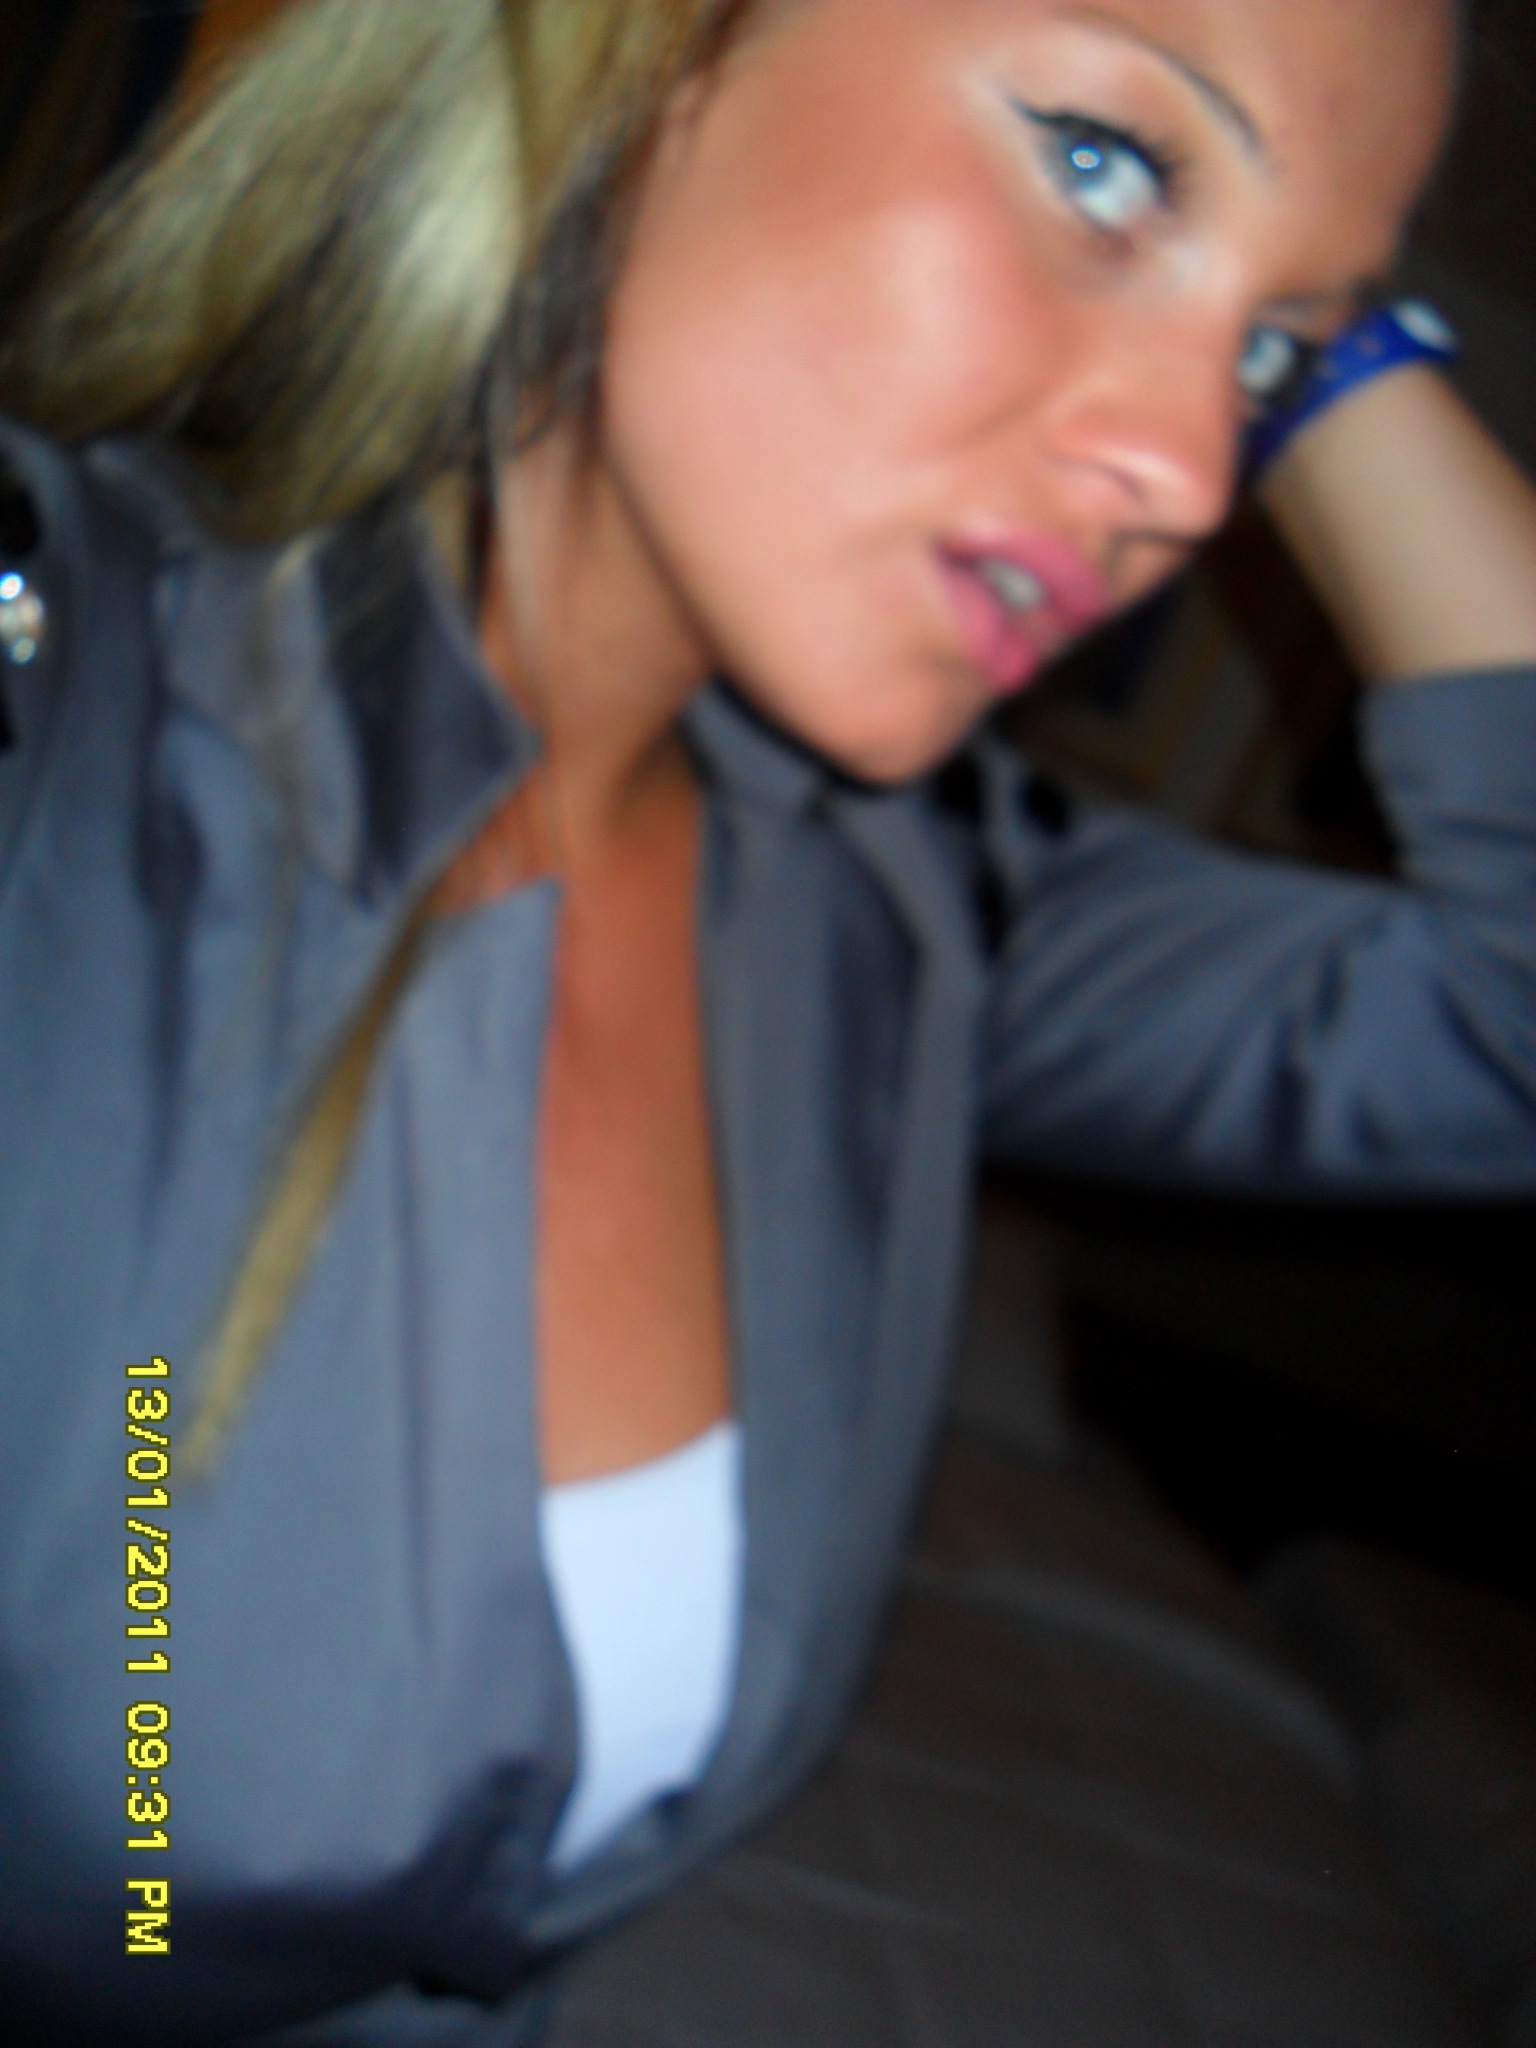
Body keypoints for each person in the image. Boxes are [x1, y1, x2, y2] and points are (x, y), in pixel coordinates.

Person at [1, 0, 1533, 2041]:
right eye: (1104, 161)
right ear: (647, 47)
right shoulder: (61, 684)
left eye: (1263, 365)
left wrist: (1348, 348)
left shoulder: (914, 899)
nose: (1188, 476)